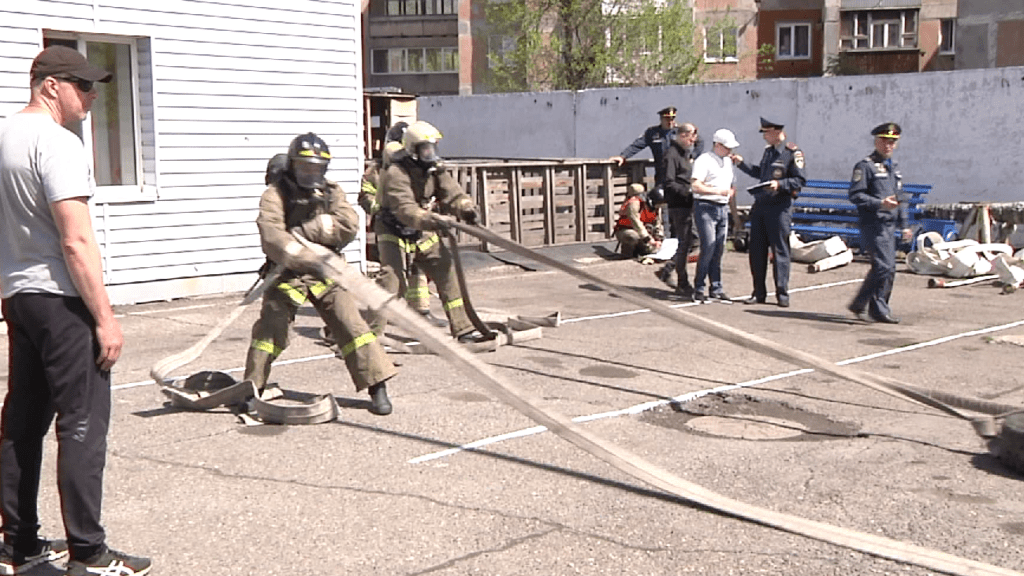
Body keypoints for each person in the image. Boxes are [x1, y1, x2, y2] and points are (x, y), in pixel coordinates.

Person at [0, 46, 151, 576]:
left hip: (20, 299)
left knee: (22, 423)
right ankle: (88, 552)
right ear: (49, 86)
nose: (90, 98)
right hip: (63, 302)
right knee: (82, 426)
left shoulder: (3, 137)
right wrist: (105, 319)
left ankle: (19, 546)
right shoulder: (55, 143)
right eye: (82, 87)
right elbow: (77, 242)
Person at [244, 132, 399, 415]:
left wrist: (310, 231)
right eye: (304, 167)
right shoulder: (274, 195)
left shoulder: (331, 191)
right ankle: (251, 388)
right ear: (292, 165)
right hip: (286, 275)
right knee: (270, 330)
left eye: (316, 167)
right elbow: (272, 236)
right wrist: (306, 250)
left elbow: (349, 224)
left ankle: (378, 387)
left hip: (327, 273)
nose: (310, 173)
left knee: (354, 328)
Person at [378, 120, 482, 341]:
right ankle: (365, 337)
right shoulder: (396, 172)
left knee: (445, 269)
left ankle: (463, 329)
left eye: (432, 148)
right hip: (393, 229)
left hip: (422, 229)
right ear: (412, 150)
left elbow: (452, 193)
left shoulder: (434, 169)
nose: (430, 153)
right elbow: (405, 209)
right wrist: (431, 219)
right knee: (392, 283)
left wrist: (466, 208)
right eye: (425, 149)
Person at [359, 124, 446, 329]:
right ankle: (376, 320)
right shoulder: (377, 170)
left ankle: (420, 311)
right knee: (392, 275)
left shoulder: (418, 169)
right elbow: (365, 195)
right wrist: (379, 208)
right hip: (390, 227)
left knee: (419, 268)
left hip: (415, 224)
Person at [731, 117, 808, 308]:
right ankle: (758, 292)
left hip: (779, 208)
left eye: (766, 133)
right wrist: (742, 164)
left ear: (776, 132)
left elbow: (799, 181)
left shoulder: (792, 153)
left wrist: (780, 184)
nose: (765, 137)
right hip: (761, 206)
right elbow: (761, 174)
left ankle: (782, 293)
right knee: (756, 251)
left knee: (780, 251)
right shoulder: (768, 152)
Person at [847, 122, 912, 324]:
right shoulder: (865, 166)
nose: (888, 146)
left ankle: (869, 305)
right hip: (873, 223)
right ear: (876, 141)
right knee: (884, 267)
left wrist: (905, 225)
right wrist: (879, 204)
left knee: (887, 268)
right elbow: (855, 195)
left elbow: (899, 198)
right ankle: (873, 306)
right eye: (884, 141)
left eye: (892, 142)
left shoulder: (894, 168)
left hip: (889, 225)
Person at [690, 129, 740, 304]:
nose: (729, 151)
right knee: (709, 246)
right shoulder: (704, 160)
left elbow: (731, 187)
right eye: (726, 147)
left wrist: (734, 214)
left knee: (719, 248)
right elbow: (696, 185)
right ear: (717, 145)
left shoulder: (727, 161)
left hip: (722, 206)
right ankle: (699, 287)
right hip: (706, 205)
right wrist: (717, 191)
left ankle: (716, 287)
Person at [659, 123, 700, 297]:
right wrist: (687, 191)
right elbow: (669, 182)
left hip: (690, 203)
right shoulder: (672, 154)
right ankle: (681, 281)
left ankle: (669, 268)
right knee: (686, 242)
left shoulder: (686, 153)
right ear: (682, 135)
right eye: (691, 136)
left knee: (692, 240)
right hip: (679, 204)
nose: (694, 140)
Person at [613, 183, 664, 258]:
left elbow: (658, 224)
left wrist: (658, 239)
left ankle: (640, 250)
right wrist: (648, 239)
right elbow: (635, 222)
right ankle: (627, 254)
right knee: (633, 236)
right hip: (626, 229)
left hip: (644, 232)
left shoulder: (656, 207)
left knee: (652, 251)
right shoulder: (635, 203)